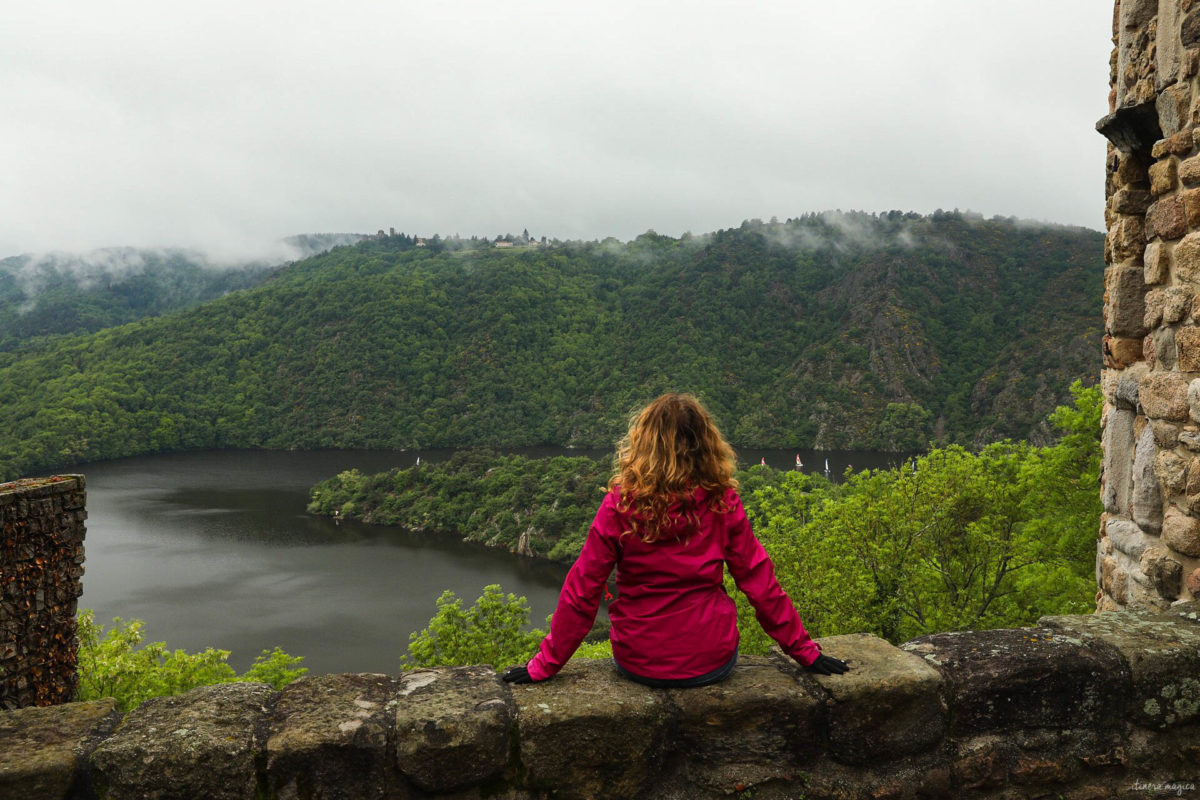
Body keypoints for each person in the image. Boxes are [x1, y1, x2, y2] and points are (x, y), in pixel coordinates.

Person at [503, 393, 848, 687]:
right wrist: (804, 652)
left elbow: (583, 591)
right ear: (706, 445)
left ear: (643, 443)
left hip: (639, 661)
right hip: (711, 662)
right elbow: (760, 584)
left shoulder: (620, 505)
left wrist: (543, 665)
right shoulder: (722, 502)